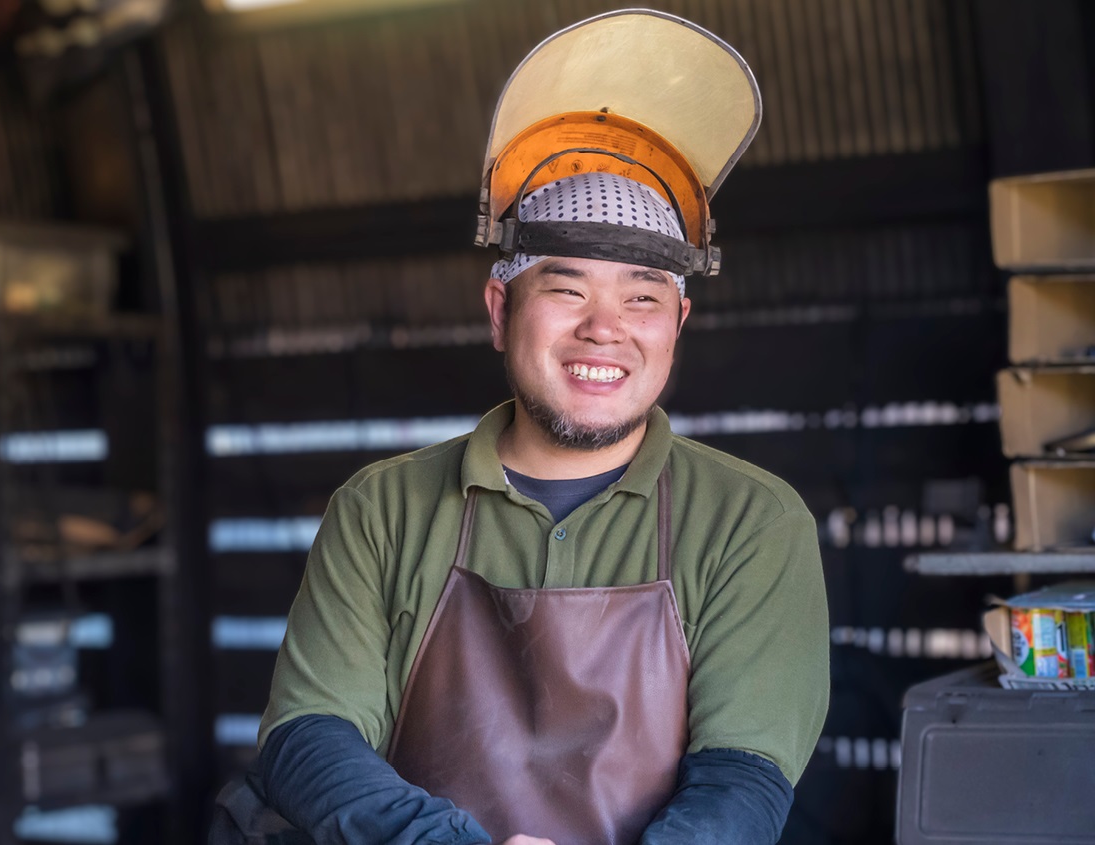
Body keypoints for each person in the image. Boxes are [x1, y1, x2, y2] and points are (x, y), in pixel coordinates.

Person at [212, 11, 829, 845]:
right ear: (502, 309)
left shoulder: (752, 521)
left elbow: (744, 774)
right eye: (567, 288)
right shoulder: (382, 509)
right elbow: (308, 734)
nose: (605, 327)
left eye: (642, 296)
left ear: (677, 323)